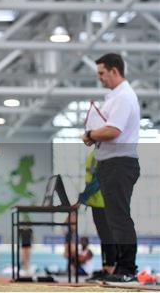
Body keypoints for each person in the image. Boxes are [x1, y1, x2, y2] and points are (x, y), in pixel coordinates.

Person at [82, 53, 140, 283]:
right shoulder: (116, 97)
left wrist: (90, 134)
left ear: (115, 71)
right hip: (111, 164)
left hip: (119, 163)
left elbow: (113, 130)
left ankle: (127, 269)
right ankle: (119, 267)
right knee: (113, 219)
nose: (100, 78)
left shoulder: (124, 97)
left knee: (119, 218)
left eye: (102, 73)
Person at [75, 150, 116, 281]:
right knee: (104, 237)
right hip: (97, 202)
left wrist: (82, 198)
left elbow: (98, 179)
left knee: (108, 236)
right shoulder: (96, 151)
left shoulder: (102, 152)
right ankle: (107, 267)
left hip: (104, 201)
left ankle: (111, 268)